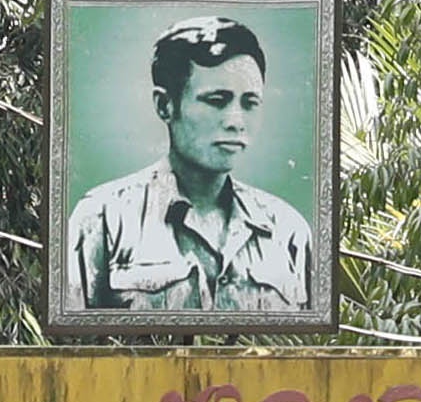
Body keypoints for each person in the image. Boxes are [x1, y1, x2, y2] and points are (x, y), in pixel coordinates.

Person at [59, 16, 317, 316]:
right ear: (164, 105)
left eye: (250, 103)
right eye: (217, 100)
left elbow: (307, 339)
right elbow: (72, 337)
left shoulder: (287, 230)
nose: (236, 121)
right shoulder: (104, 219)